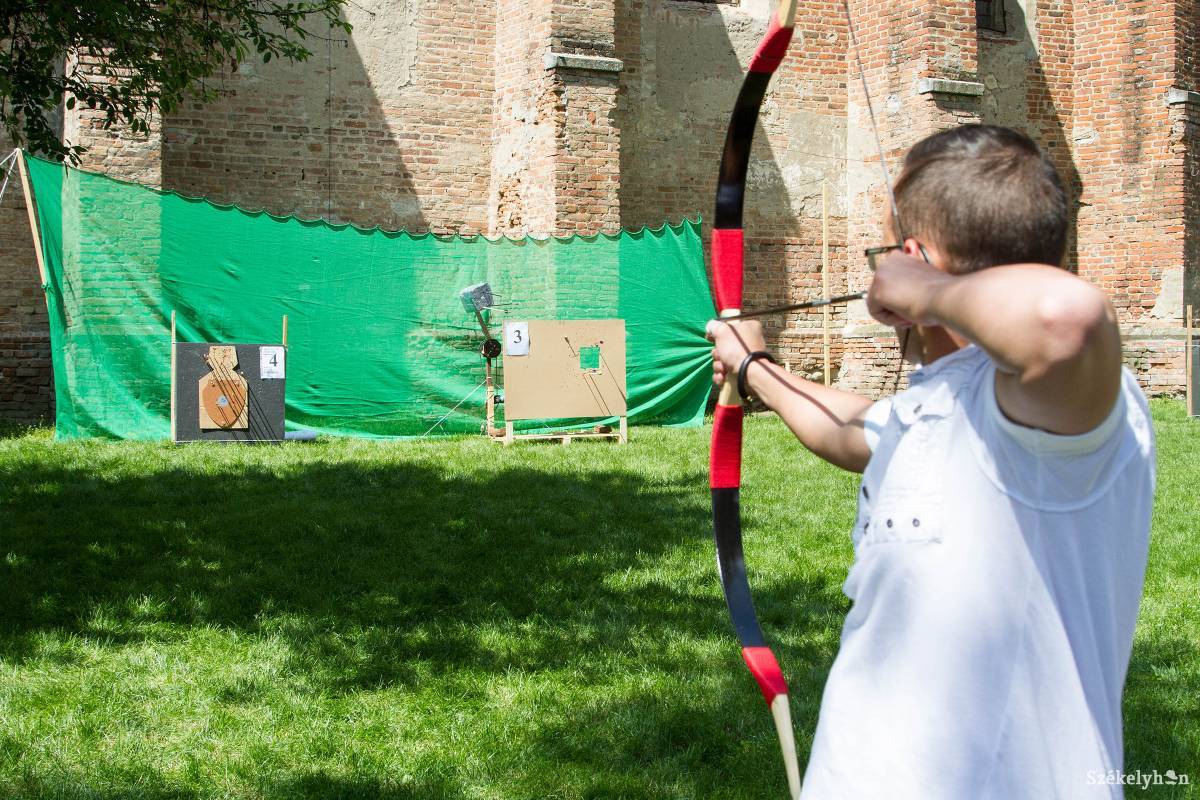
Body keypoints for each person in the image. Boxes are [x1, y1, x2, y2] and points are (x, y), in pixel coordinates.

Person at [706, 125, 1155, 799]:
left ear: (912, 259)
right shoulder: (948, 400)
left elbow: (1067, 317)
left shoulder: (1064, 408)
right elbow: (854, 432)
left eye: (887, 254)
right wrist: (754, 368)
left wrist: (923, 287)